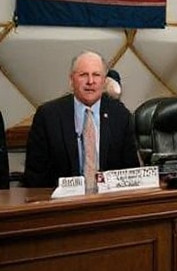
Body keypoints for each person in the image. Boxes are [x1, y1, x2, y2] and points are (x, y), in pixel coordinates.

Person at [24, 51, 140, 188]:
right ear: (71, 80)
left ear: (104, 81)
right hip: (62, 204)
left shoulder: (120, 115)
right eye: (83, 75)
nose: (90, 81)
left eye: (96, 75)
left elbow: (132, 172)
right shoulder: (48, 116)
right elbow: (35, 177)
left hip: (109, 203)